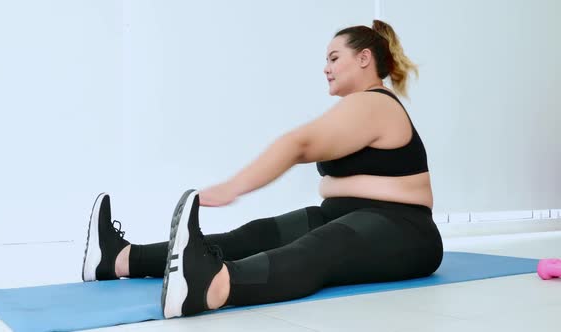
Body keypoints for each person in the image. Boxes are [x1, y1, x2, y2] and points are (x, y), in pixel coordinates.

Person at [81, 19, 443, 319]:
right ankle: (119, 259)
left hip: (404, 231)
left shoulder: (375, 104)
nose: (325, 67)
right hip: (344, 213)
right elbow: (339, 182)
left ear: (365, 58)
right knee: (252, 236)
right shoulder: (355, 109)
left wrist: (232, 187)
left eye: (334, 57)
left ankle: (213, 286)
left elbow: (299, 145)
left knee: (320, 247)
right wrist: (336, 189)